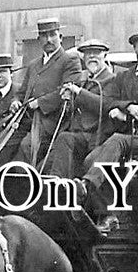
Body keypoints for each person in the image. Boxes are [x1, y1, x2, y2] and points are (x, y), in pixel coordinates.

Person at [73, 31, 138, 233]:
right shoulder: (124, 77)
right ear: (134, 50)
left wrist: (126, 115)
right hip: (127, 137)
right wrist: (128, 106)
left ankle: (86, 185)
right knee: (90, 160)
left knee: (117, 141)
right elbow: (109, 100)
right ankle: (108, 214)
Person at [12, 17, 83, 167]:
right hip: (28, 120)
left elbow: (67, 90)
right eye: (44, 36)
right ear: (39, 39)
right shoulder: (33, 65)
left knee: (27, 147)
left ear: (60, 37)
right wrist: (16, 101)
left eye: (52, 35)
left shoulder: (69, 61)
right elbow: (22, 91)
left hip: (53, 121)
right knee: (5, 143)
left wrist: (40, 102)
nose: (48, 39)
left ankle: (25, 185)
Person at [49, 39, 115, 178]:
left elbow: (103, 105)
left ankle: (57, 186)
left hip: (97, 137)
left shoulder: (112, 80)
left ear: (105, 56)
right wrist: (67, 100)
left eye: (96, 53)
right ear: (83, 58)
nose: (91, 56)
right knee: (45, 162)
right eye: (87, 54)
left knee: (64, 139)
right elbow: (72, 110)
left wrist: (78, 92)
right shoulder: (82, 80)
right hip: (77, 135)